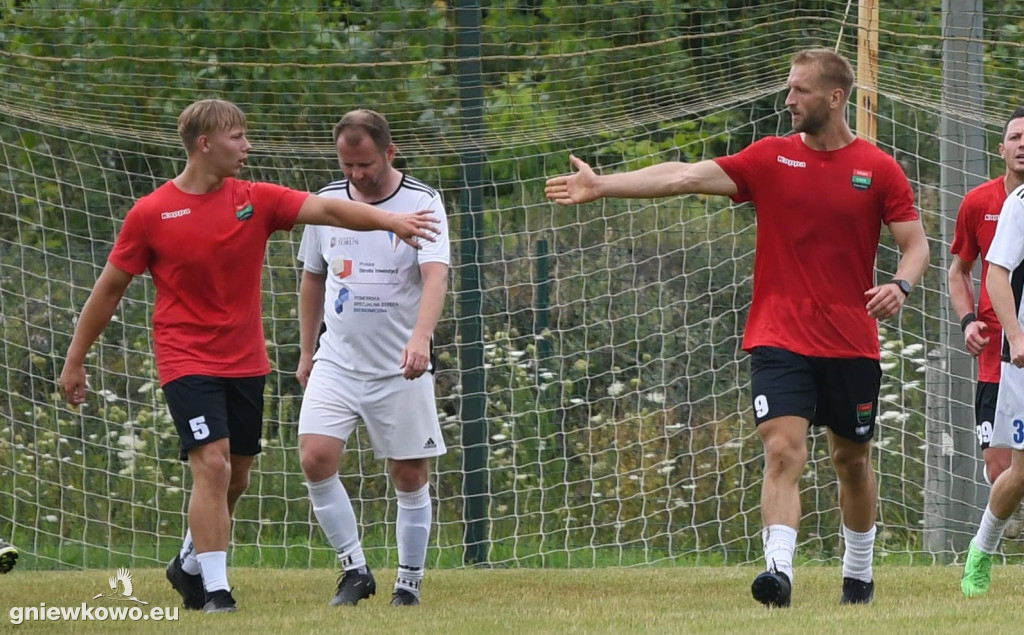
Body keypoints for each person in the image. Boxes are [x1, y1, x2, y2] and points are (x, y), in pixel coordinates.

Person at [545, 48, 929, 608]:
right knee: (782, 452)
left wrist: (901, 285)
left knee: (851, 460)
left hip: (852, 339)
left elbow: (915, 244)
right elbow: (682, 176)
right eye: (789, 87)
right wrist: (604, 185)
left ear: (834, 97)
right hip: (778, 335)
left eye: (800, 90)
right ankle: (778, 575)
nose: (789, 99)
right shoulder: (770, 158)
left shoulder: (879, 168)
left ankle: (859, 573)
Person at [58, 99, 439, 614]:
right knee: (211, 467)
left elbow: (327, 209)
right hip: (184, 358)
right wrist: (76, 358)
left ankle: (189, 563)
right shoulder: (151, 213)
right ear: (205, 144)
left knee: (236, 477)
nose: (247, 146)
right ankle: (218, 591)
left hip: (244, 361)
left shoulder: (254, 199)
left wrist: (389, 223)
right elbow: (109, 290)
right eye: (237, 137)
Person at [294, 109, 449, 608]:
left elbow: (435, 276)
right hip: (337, 360)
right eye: (347, 165)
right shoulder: (326, 202)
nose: (356, 175)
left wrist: (421, 338)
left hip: (398, 366)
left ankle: (408, 583)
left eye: (365, 164)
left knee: (409, 474)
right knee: (315, 458)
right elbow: (313, 277)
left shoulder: (423, 202)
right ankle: (354, 570)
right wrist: (306, 351)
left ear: (389, 152)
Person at [949, 107, 1024, 539]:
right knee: (1001, 468)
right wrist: (967, 321)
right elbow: (959, 271)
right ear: (1001, 148)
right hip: (999, 359)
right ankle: (998, 523)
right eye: (1014, 137)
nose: (1022, 145)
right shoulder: (979, 203)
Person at [961, 179, 1024, 598]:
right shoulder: (1020, 204)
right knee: (1020, 473)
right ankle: (981, 551)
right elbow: (996, 276)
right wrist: (1016, 337)